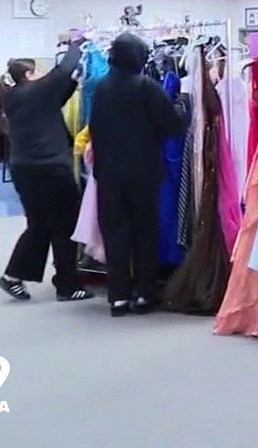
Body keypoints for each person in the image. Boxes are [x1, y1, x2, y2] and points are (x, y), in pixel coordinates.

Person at [87, 33, 186, 316]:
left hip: (108, 173)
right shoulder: (146, 86)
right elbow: (172, 126)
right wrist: (181, 106)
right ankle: (144, 293)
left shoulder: (101, 87)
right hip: (143, 173)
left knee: (114, 233)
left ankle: (118, 297)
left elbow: (95, 128)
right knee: (144, 232)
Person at [0, 31, 94, 303]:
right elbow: (63, 69)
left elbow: (56, 98)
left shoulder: (15, 96)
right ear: (28, 75)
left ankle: (13, 276)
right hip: (50, 168)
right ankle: (67, 285)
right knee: (65, 225)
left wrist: (73, 82)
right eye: (37, 71)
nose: (41, 74)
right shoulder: (35, 90)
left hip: (25, 169)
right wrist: (77, 44)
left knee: (39, 224)